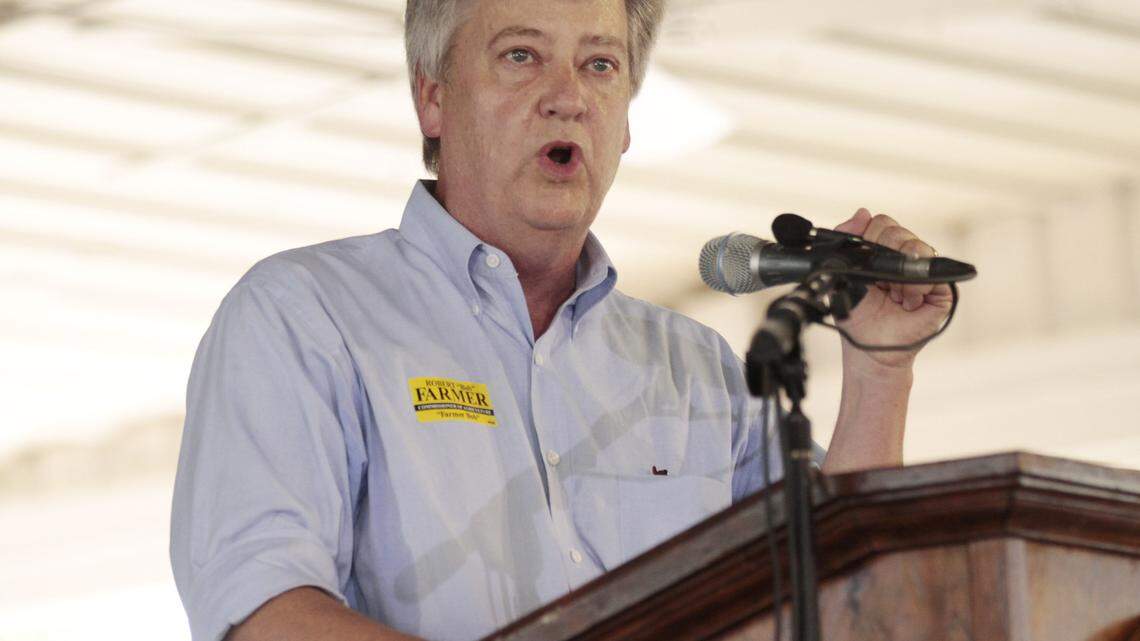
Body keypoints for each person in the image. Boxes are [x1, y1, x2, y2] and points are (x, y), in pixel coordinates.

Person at [169, 0, 951, 640]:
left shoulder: (699, 369)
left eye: (600, 65)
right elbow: (264, 614)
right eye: (521, 55)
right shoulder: (305, 315)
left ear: (627, 120)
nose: (568, 95)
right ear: (432, 96)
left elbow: (844, 603)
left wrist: (881, 370)